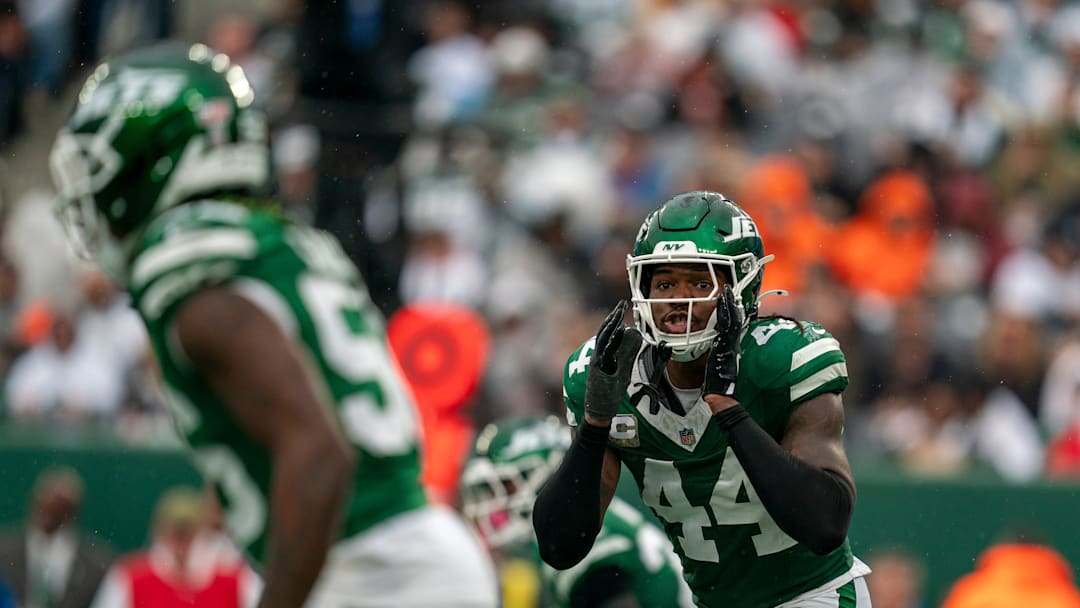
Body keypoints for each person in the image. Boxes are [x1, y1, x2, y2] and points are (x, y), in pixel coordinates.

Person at [48, 42, 497, 608]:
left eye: (102, 164)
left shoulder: (192, 271)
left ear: (158, 153)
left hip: (374, 572)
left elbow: (318, 452)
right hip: (398, 558)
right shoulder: (266, 240)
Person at [533, 191, 871, 607]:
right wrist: (594, 426)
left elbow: (826, 525)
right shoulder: (607, 373)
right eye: (665, 283)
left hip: (812, 596)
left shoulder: (781, 358)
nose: (679, 299)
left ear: (741, 287)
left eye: (699, 281)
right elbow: (560, 548)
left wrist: (728, 409)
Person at [460, 415, 694, 608]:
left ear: (544, 475)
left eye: (506, 486)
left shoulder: (577, 533)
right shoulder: (594, 516)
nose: (497, 503)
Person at [90, 486, 261, 608]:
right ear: (159, 531)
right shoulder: (128, 577)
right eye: (176, 533)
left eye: (188, 533)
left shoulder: (235, 579)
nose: (181, 544)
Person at [0, 468, 112, 608]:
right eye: (45, 502)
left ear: (73, 511)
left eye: (60, 507)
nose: (50, 511)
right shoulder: (4, 552)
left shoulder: (96, 563)